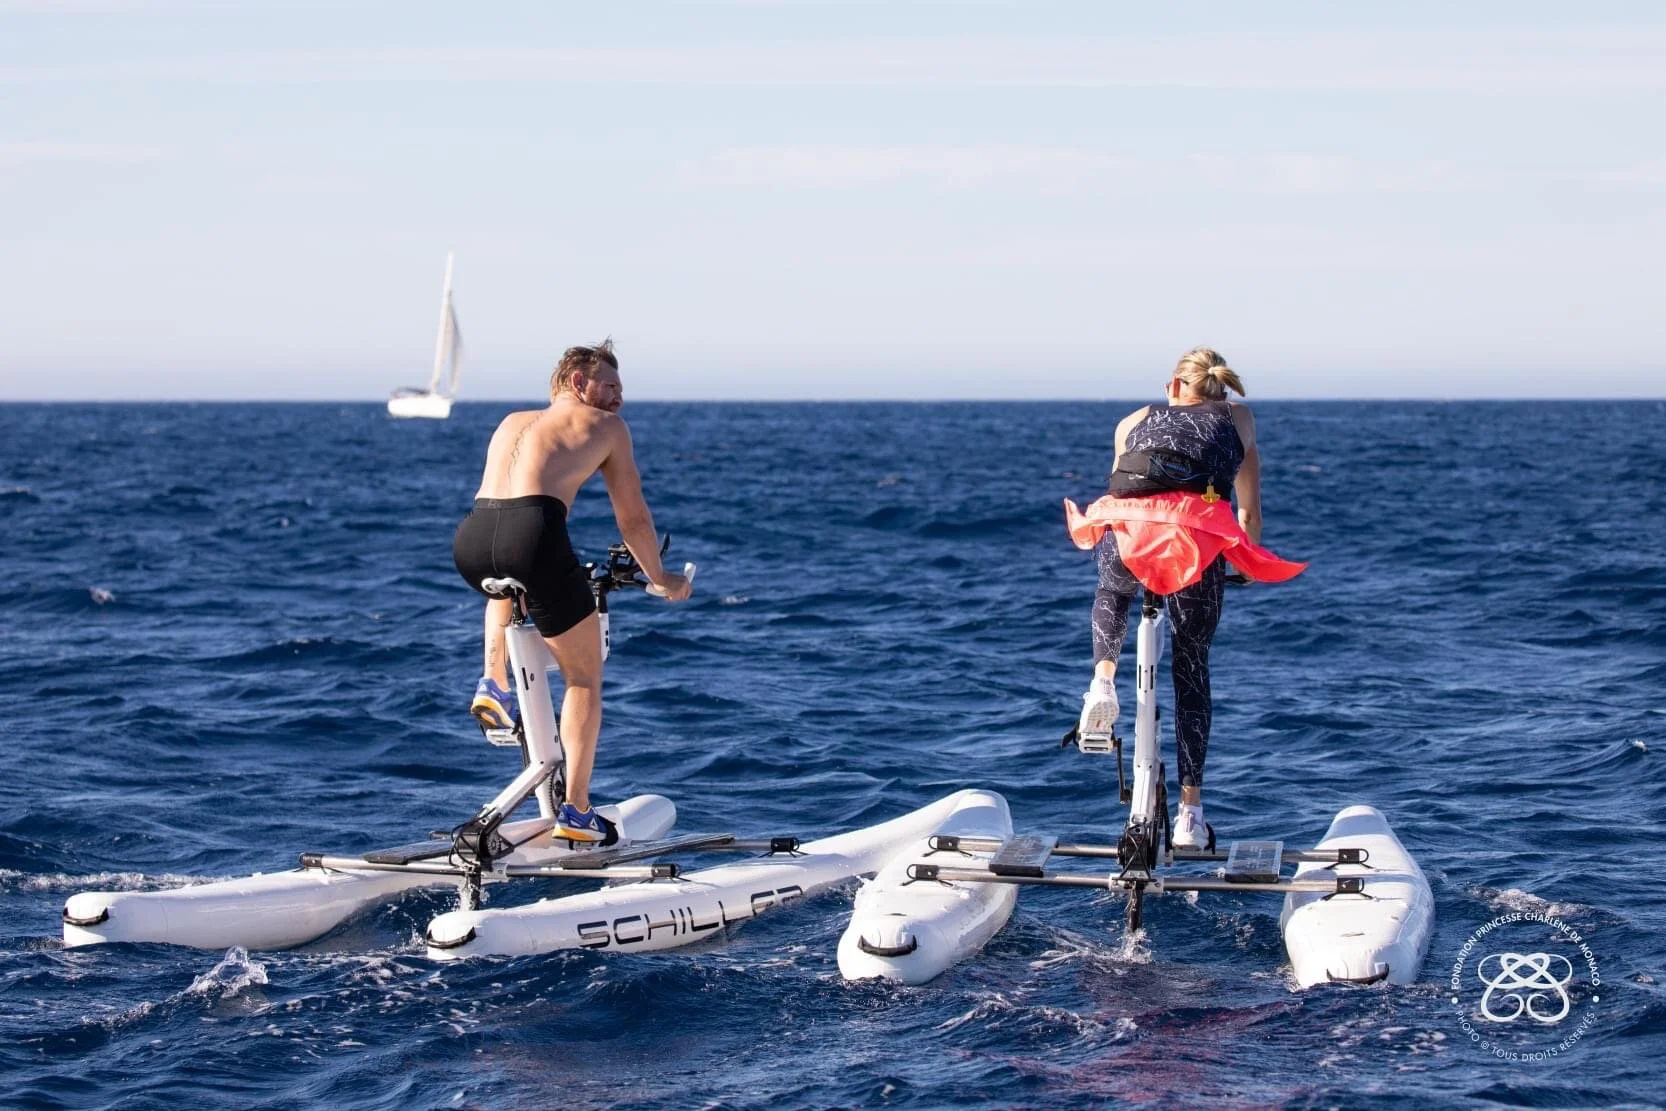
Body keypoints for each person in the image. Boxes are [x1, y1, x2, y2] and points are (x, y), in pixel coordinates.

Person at [1064, 347, 1306, 848]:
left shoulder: (1132, 420)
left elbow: (1124, 490)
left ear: (1173, 386)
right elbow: (1247, 515)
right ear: (1218, 387)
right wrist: (1247, 565)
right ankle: (1190, 814)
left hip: (1122, 532)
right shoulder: (1239, 418)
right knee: (1191, 663)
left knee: (1113, 591)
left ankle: (1102, 683)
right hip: (1189, 540)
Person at [452, 340, 692, 842]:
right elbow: (633, 518)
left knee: (506, 586)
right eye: (609, 386)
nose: (618, 399)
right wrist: (660, 577)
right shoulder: (607, 428)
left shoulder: (510, 422)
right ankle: (578, 813)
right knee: (583, 677)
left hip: (474, 539)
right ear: (578, 382)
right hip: (533, 534)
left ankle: (493, 684)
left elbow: (509, 514)